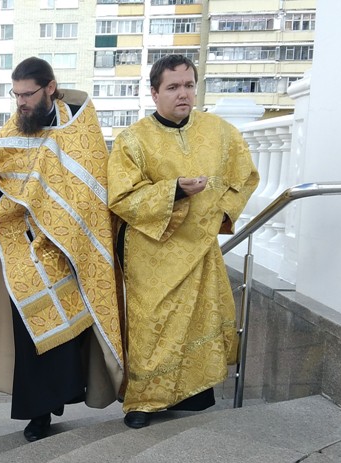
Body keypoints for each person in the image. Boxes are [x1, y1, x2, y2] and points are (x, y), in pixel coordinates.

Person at [0, 57, 124, 442]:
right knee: (32, 337)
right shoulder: (12, 131)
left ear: (50, 88)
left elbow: (92, 191)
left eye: (27, 94)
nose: (21, 103)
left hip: (71, 248)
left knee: (75, 331)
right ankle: (39, 413)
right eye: (16, 95)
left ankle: (72, 391)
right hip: (23, 255)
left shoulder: (79, 129)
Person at [107, 55, 260, 429]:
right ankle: (143, 402)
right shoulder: (132, 140)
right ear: (154, 92)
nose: (183, 94)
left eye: (189, 85)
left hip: (200, 249)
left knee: (196, 322)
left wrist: (220, 214)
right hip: (152, 255)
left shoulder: (221, 133)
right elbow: (121, 197)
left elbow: (245, 177)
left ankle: (194, 397)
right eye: (173, 87)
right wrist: (173, 191)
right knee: (152, 326)